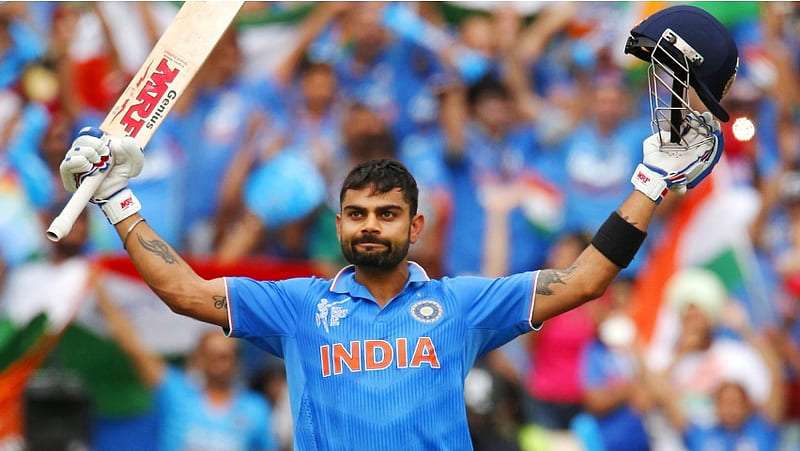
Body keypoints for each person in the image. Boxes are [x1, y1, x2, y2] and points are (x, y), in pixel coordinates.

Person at [55, 6, 735, 450]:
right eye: (356, 214)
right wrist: (117, 197)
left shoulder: (463, 304)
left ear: (416, 226)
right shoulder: (299, 305)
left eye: (385, 215)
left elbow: (587, 278)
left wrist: (649, 182)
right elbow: (181, 290)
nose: (370, 226)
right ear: (340, 223)